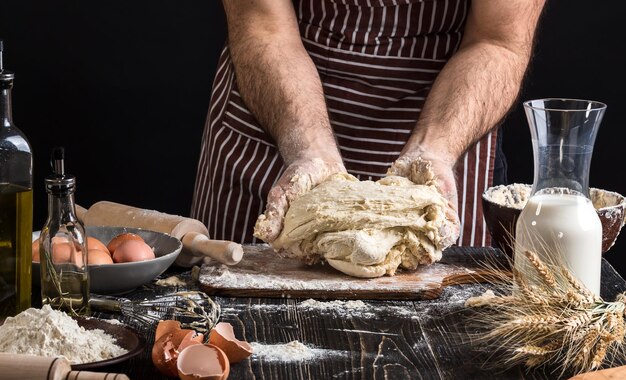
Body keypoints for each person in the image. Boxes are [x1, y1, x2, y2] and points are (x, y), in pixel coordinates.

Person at [192, 0, 545, 247]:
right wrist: (307, 151)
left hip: (449, 121)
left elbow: (498, 40)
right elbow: (263, 27)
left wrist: (434, 151)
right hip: (274, 125)